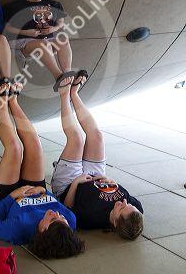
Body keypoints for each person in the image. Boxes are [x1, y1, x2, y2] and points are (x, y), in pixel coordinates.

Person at [0, 82, 85, 259]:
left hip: (7, 198)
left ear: (43, 230)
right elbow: (56, 203)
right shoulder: (68, 221)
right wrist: (42, 190)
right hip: (37, 191)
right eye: (61, 218)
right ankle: (14, 100)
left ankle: (1, 102)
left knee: (15, 149)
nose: (57, 214)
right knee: (35, 146)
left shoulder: (18, 230)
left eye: (54, 219)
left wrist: (13, 196)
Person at [51, 75, 144, 240]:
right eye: (128, 204)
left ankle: (64, 94)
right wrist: (110, 180)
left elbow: (66, 207)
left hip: (69, 183)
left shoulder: (90, 219)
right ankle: (74, 93)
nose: (124, 202)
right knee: (97, 136)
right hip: (96, 176)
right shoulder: (135, 211)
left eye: (121, 208)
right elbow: (119, 192)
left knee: (77, 139)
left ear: (114, 222)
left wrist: (75, 183)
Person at [3, 0, 88, 91]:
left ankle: (67, 73)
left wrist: (53, 28)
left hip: (47, 39)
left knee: (62, 37)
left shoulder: (54, 4)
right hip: (22, 42)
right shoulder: (14, 6)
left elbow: (61, 22)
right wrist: (25, 32)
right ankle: (59, 77)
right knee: (43, 43)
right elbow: (6, 28)